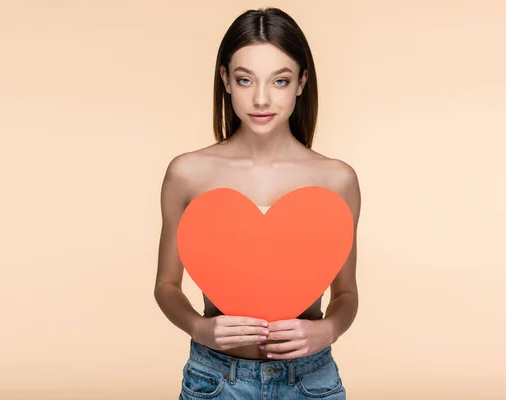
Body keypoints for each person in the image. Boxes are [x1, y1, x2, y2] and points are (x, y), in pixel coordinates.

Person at [154, 7, 361, 399]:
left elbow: (346, 293)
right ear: (225, 80)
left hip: (311, 381)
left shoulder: (337, 180)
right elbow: (166, 285)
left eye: (279, 80)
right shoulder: (188, 173)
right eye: (245, 79)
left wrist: (327, 329)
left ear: (301, 82)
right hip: (216, 379)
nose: (261, 98)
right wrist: (200, 328)